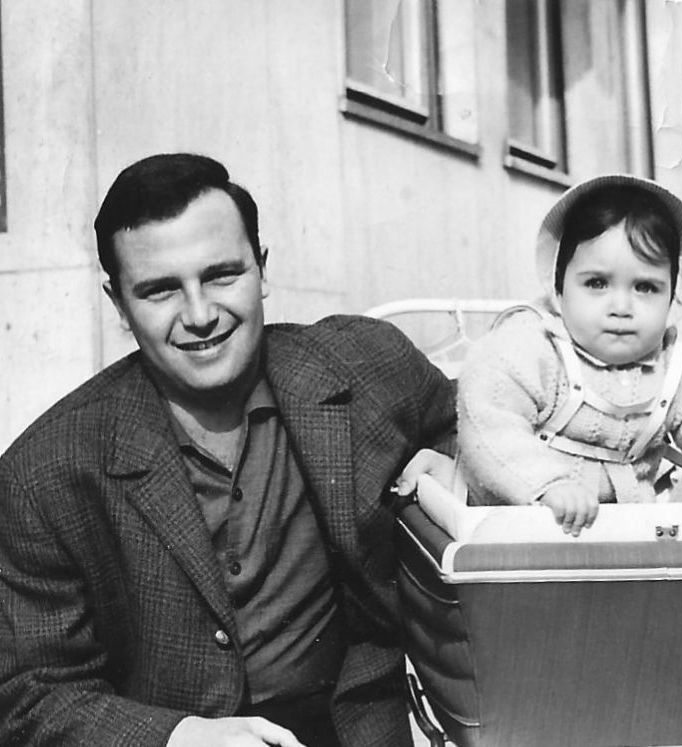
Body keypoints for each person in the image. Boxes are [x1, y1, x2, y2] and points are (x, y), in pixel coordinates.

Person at [0, 154, 456, 746]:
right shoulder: (44, 473)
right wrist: (180, 737)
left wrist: (458, 462)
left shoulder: (366, 365)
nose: (200, 315)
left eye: (221, 275)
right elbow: (29, 694)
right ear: (118, 305)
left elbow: (495, 422)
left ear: (262, 269)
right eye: (161, 290)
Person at [455, 174, 682, 535]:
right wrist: (548, 484)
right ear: (559, 286)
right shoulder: (529, 346)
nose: (621, 306)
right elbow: (490, 425)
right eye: (597, 283)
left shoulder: (675, 366)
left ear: (673, 297)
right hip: (517, 524)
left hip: (624, 533)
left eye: (645, 287)